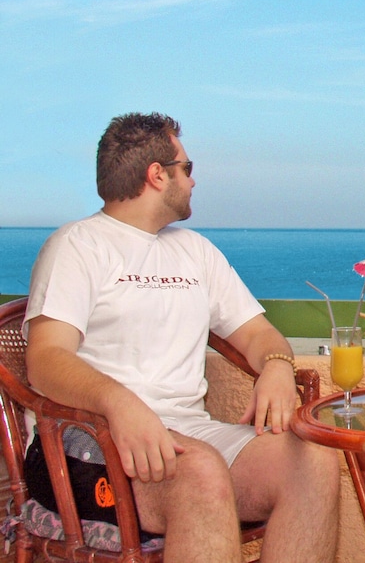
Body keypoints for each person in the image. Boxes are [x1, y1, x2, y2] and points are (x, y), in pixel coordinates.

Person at [24, 112, 340, 562]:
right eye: (186, 168)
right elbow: (46, 359)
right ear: (157, 175)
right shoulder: (77, 245)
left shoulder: (195, 251)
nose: (193, 180)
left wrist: (277, 366)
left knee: (312, 462)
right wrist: (120, 404)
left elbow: (257, 332)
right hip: (89, 438)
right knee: (201, 472)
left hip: (187, 435)